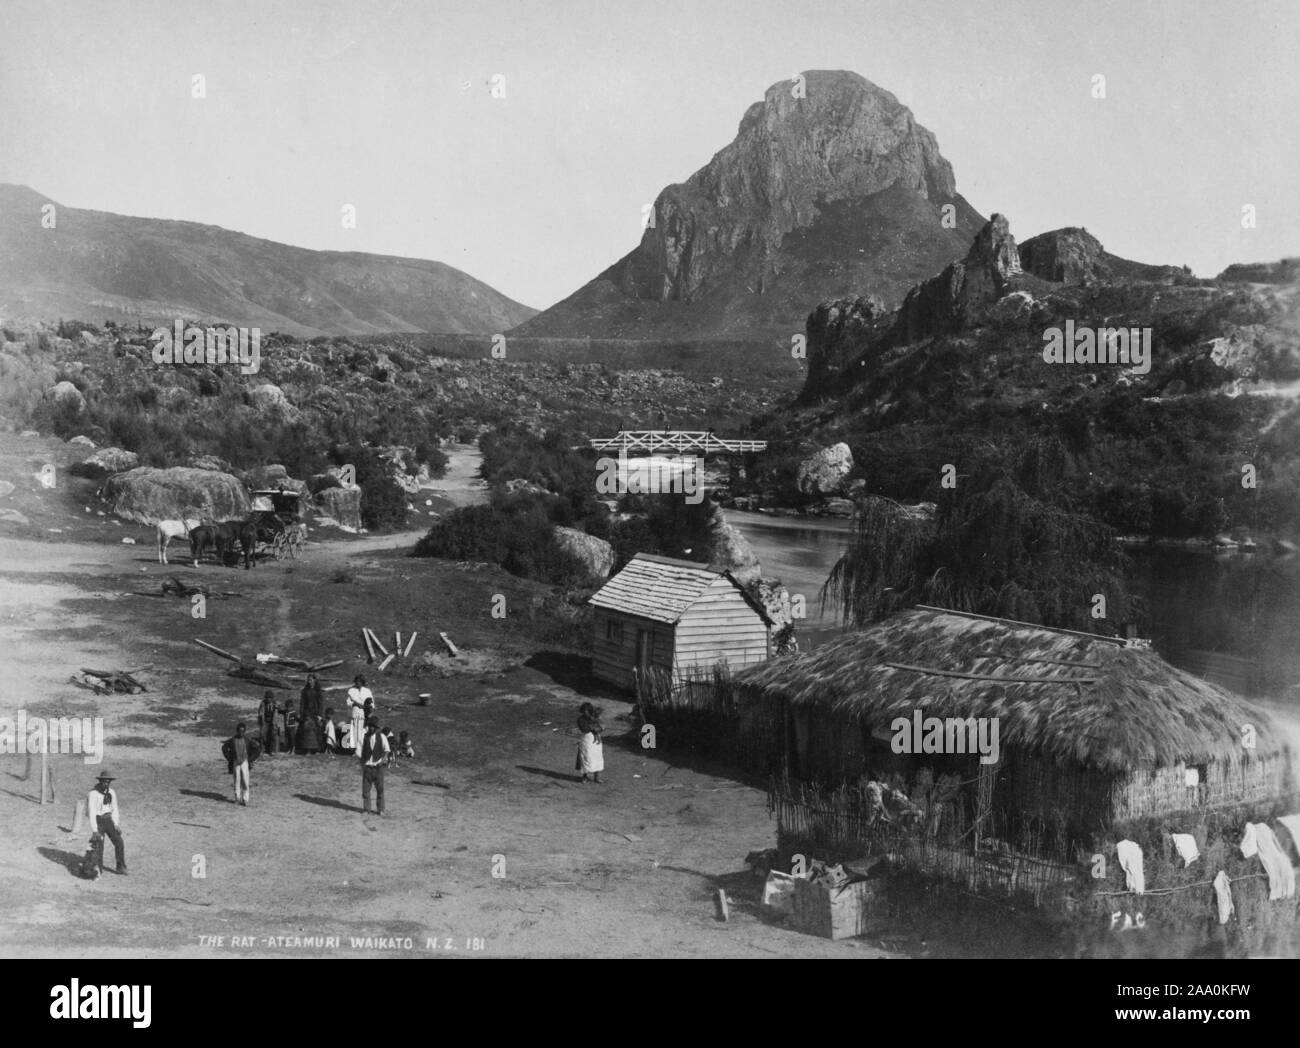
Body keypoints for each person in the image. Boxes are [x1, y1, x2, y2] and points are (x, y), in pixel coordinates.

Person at [86, 771, 126, 875]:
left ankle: (120, 866)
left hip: (109, 820)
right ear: (100, 781)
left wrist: (116, 824)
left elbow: (114, 808)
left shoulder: (111, 792)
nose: (106, 784)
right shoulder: (93, 794)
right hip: (98, 821)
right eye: (104, 782)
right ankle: (98, 869)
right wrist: (95, 830)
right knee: (99, 846)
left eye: (108, 782)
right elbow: (92, 812)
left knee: (119, 842)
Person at [361, 717, 390, 816]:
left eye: (373, 727)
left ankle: (381, 809)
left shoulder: (382, 737)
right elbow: (359, 751)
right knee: (365, 790)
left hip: (378, 767)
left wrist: (382, 761)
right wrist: (363, 764)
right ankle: (366, 809)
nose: (371, 728)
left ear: (376, 727)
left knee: (380, 789)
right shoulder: (364, 736)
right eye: (370, 726)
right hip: (368, 767)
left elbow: (387, 750)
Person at [223, 722, 253, 805]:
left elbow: (256, 748)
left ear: (245, 732)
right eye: (240, 731)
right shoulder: (232, 740)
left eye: (243, 731)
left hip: (244, 762)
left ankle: (245, 799)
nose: (241, 733)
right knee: (236, 780)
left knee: (245, 780)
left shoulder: (247, 740)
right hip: (236, 761)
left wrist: (250, 759)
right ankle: (237, 798)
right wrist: (230, 758)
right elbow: (224, 748)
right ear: (237, 731)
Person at [576, 702, 604, 784]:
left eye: (587, 711)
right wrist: (594, 728)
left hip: (596, 741)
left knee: (597, 757)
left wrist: (596, 728)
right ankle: (584, 777)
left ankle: (597, 777)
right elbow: (584, 728)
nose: (585, 712)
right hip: (586, 740)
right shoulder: (580, 719)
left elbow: (602, 726)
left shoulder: (594, 718)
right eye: (584, 711)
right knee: (586, 757)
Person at [346, 676, 373, 758]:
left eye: (359, 681)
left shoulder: (367, 691)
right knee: (355, 732)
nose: (358, 683)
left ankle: (362, 750)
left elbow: (371, 703)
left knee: (362, 732)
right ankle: (355, 751)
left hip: (364, 714)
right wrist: (355, 703)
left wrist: (368, 710)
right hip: (355, 713)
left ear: (362, 682)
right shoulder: (351, 691)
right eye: (356, 681)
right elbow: (348, 702)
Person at [297, 674, 324, 754]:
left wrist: (320, 715)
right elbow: (302, 703)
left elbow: (320, 703)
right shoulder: (305, 691)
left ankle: (316, 749)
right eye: (308, 680)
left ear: (315, 680)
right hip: (307, 713)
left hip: (315, 713)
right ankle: (307, 749)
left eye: (311, 680)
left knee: (317, 731)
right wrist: (301, 713)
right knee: (307, 730)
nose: (310, 681)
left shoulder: (318, 691)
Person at [257, 691, 279, 756]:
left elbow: (276, 714)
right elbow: (261, 712)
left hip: (272, 721)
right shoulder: (263, 703)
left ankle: (271, 750)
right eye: (267, 698)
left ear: (272, 698)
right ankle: (262, 749)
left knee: (272, 735)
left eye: (270, 698)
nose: (268, 699)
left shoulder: (275, 704)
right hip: (265, 721)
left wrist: (274, 723)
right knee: (262, 735)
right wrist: (262, 721)